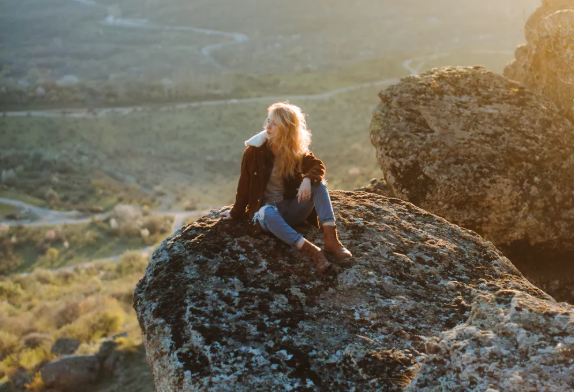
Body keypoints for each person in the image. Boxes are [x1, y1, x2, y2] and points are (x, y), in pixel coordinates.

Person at [220, 101, 352, 273]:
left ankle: (331, 240)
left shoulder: (295, 149)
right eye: (268, 121)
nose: (268, 126)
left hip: (291, 209)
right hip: (267, 216)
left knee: (318, 185)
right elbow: (244, 186)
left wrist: (307, 180)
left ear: (287, 128)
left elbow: (318, 167)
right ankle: (314, 252)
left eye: (275, 124)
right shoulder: (254, 152)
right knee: (268, 211)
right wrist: (235, 213)